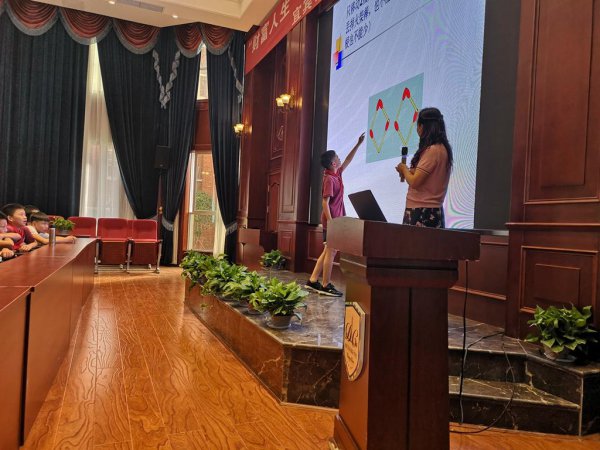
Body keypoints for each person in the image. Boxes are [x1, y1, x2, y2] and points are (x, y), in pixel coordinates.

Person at [306, 133, 365, 297]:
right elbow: (325, 203)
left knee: (327, 251)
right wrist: (332, 223)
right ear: (333, 163)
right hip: (332, 221)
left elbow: (348, 160)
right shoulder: (329, 179)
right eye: (337, 158)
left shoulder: (336, 174)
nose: (340, 159)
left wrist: (358, 144)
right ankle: (325, 285)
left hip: (336, 221)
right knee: (331, 252)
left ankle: (312, 280)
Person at [396, 107, 453, 228]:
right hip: (429, 210)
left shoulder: (433, 150)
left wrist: (404, 169)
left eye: (418, 125)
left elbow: (415, 182)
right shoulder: (441, 149)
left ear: (422, 126)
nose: (417, 129)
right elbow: (427, 177)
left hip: (422, 211)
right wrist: (409, 171)